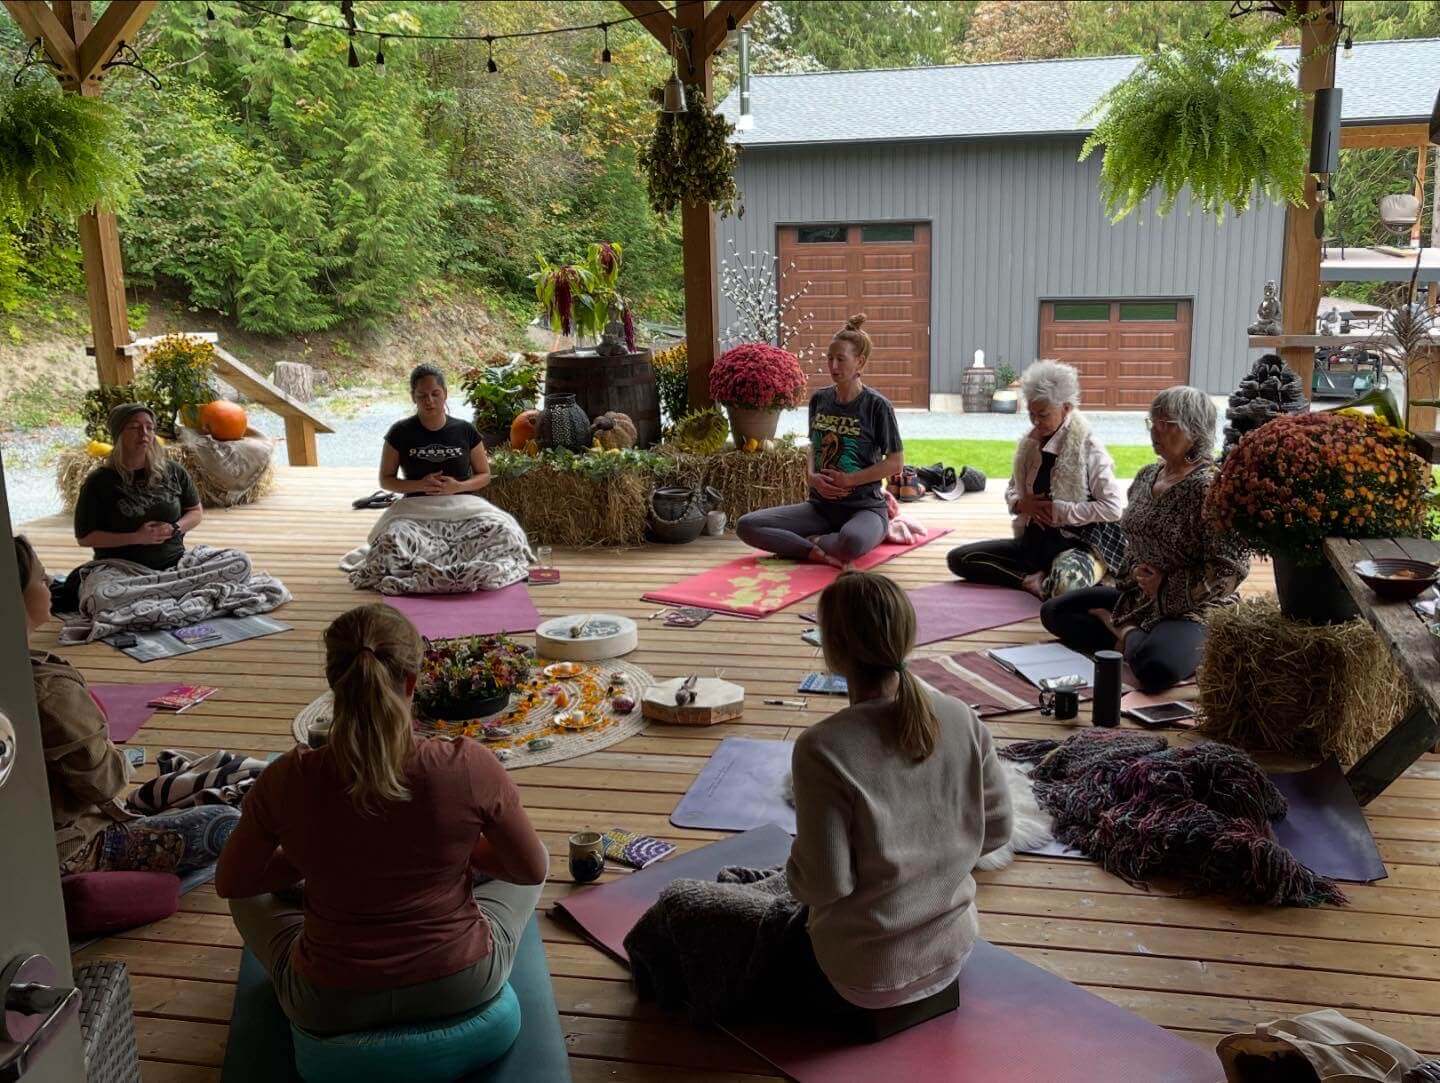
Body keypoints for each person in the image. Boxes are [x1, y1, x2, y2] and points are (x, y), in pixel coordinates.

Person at [217, 604, 549, 1035]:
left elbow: (232, 883)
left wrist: (312, 858)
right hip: (460, 985)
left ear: (333, 681)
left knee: (246, 892)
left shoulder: (286, 777)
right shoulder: (467, 766)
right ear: (412, 682)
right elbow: (530, 869)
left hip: (329, 1003)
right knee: (532, 855)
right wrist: (457, 854)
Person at [783, 571, 1013, 1011]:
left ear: (831, 650)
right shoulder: (961, 716)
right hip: (953, 950)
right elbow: (998, 831)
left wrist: (795, 868)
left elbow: (825, 883)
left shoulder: (822, 748)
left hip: (864, 974)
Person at [19, 535, 239, 875]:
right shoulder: (45, 687)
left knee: (197, 775)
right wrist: (117, 760)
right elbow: (104, 783)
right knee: (224, 822)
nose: (49, 582)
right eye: (40, 577)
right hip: (69, 845)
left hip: (43, 829)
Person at [1040, 386, 1249, 694]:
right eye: (1153, 421)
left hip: (1192, 608)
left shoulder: (1211, 490)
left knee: (1156, 670)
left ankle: (1125, 632)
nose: (1156, 431)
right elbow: (1133, 541)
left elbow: (1230, 570)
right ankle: (1135, 635)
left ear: (1194, 430)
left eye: (1167, 424)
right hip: (1138, 598)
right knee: (1054, 612)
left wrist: (1165, 586)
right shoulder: (1145, 476)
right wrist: (1132, 577)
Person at [736, 315, 903, 568]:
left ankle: (814, 541)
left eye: (841, 359)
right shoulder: (820, 400)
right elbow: (814, 446)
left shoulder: (877, 406)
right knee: (747, 526)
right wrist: (811, 476)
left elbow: (895, 463)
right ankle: (814, 549)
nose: (833, 365)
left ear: (860, 361)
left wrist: (849, 480)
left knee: (852, 543)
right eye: (829, 358)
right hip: (820, 508)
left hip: (864, 508)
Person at [947, 360, 1124, 599]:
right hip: (1034, 542)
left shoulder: (1090, 449)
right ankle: (1029, 581)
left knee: (1065, 586)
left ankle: (1064, 576)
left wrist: (1061, 511)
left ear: (1067, 408)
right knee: (959, 559)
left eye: (1043, 415)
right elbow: (1012, 488)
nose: (1036, 422)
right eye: (1031, 414)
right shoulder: (1029, 444)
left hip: (1076, 545)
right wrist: (1022, 504)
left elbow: (1113, 509)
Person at [74, 403, 203, 571]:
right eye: (134, 427)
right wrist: (136, 537)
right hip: (121, 569)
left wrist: (175, 528)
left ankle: (162, 587)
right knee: (103, 595)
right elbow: (85, 538)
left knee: (239, 560)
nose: (144, 433)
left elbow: (195, 511)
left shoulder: (173, 471)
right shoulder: (99, 481)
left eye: (149, 428)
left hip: (175, 563)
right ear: (118, 434)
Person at [381, 364, 491, 498]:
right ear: (413, 397)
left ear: (445, 393)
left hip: (461, 503)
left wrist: (459, 486)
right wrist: (420, 485)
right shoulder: (399, 432)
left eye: (435, 394)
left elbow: (485, 475)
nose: (429, 401)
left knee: (499, 520)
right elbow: (385, 480)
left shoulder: (465, 430)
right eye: (422, 395)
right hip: (415, 506)